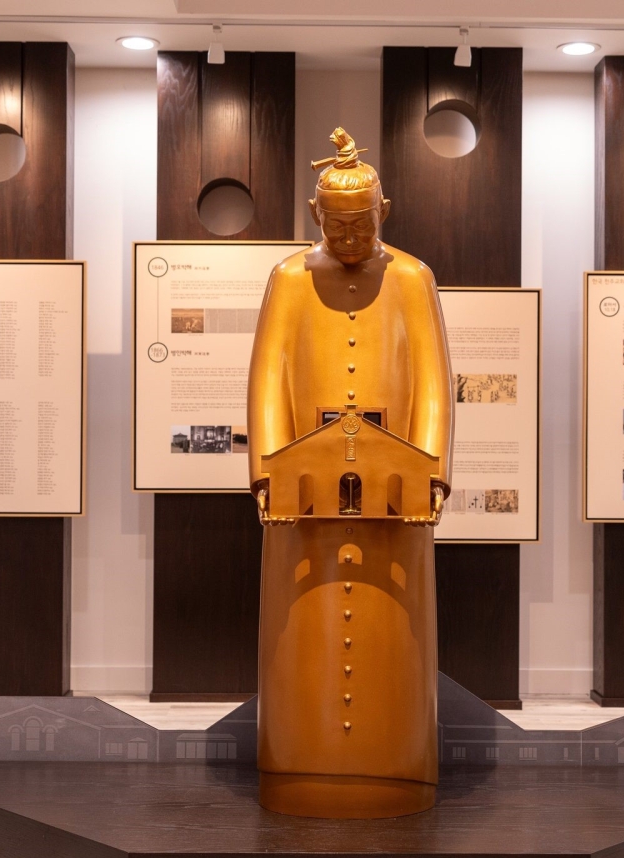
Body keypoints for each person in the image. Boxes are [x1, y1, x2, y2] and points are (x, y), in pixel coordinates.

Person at [247, 128, 454, 818]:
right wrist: (268, 472)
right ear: (316, 217)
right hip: (300, 500)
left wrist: (430, 472)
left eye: (360, 224)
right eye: (336, 226)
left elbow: (431, 382)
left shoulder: (413, 279)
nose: (348, 238)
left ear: (383, 212)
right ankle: (295, 767)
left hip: (398, 499)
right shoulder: (288, 280)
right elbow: (267, 380)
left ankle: (400, 771)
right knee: (299, 643)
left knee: (394, 643)